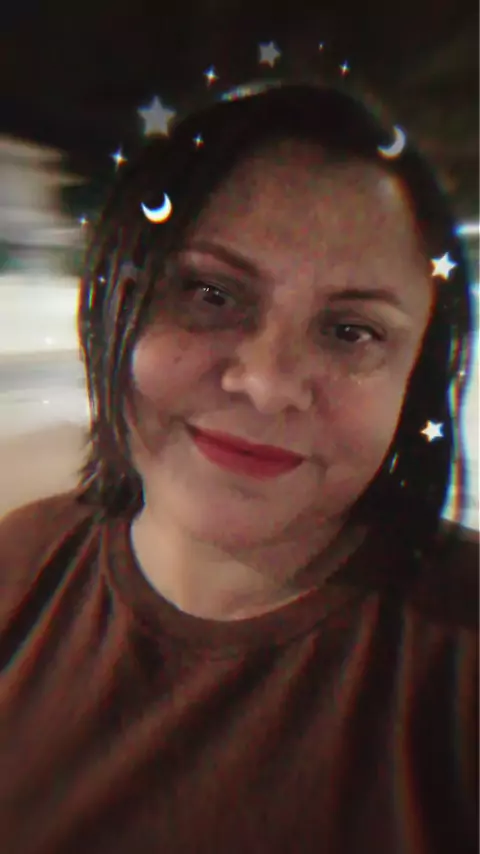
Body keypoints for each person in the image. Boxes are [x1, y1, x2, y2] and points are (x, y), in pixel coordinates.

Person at [0, 80, 477, 854]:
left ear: (415, 378)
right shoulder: (19, 571)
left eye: (351, 331)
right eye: (210, 292)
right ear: (117, 303)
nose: (267, 383)